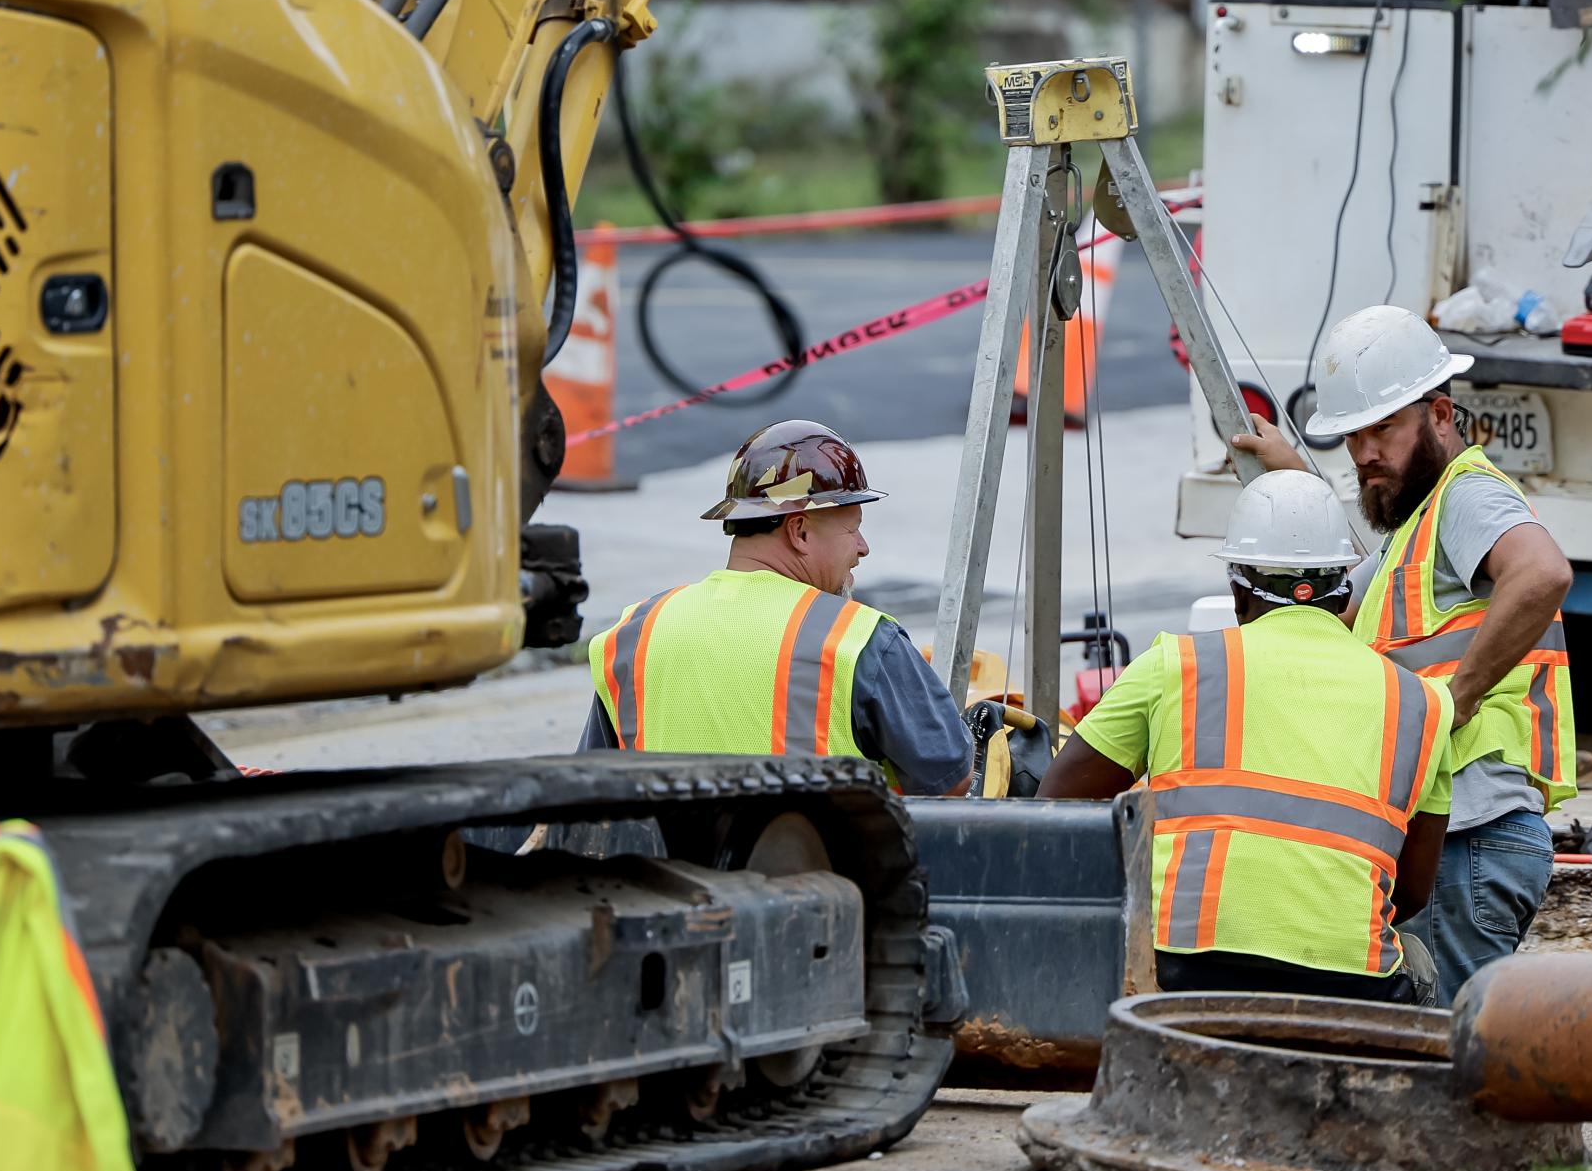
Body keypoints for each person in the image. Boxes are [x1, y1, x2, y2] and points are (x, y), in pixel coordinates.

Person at [1232, 305, 1575, 1002]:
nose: (1364, 454)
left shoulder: (1465, 493)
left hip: (1472, 834)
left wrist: (1456, 699)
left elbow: (1542, 573)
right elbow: (1333, 600)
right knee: (1437, 1056)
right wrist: (1294, 475)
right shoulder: (1412, 530)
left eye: (1383, 429)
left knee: (1452, 1069)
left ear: (1440, 415)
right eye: (1353, 437)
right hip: (1453, 839)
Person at [1038, 471, 1454, 1003]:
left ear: (1238, 593)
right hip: (1351, 984)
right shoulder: (1423, 704)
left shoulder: (1178, 665)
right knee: (1415, 959)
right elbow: (1413, 892)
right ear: (1345, 589)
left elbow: (1056, 808)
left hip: (1183, 970)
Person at [577, 419, 974, 797]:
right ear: (799, 531)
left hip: (665, 867)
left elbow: (590, 784)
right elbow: (950, 779)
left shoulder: (634, 633)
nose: (862, 547)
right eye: (852, 528)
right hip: (818, 866)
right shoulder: (856, 638)